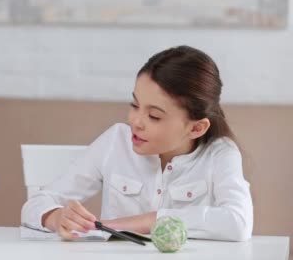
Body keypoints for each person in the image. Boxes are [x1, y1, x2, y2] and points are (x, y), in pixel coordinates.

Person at [21, 46, 253, 242]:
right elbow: (36, 205)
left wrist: (149, 221)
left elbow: (238, 222)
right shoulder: (115, 142)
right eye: (134, 105)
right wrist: (55, 217)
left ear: (196, 128)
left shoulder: (220, 154)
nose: (135, 121)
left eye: (154, 116)